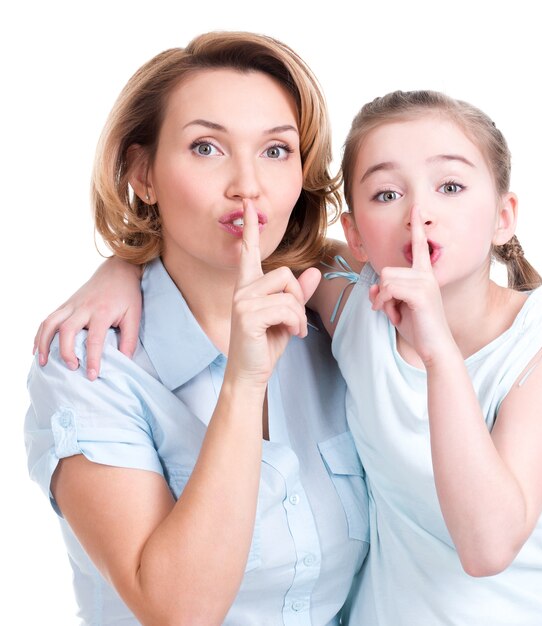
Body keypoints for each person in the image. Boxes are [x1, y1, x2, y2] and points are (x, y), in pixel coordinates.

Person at [34, 89, 542, 625]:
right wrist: (120, 269)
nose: (418, 214)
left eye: (451, 187)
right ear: (356, 236)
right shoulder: (353, 305)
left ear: (504, 216)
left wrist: (439, 354)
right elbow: (226, 237)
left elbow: (487, 547)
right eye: (387, 194)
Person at [25, 31, 370, 626]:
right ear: (142, 172)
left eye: (276, 150)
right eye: (206, 148)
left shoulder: (333, 314)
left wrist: (121, 262)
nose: (247, 184)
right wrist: (243, 379)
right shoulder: (91, 366)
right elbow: (176, 609)